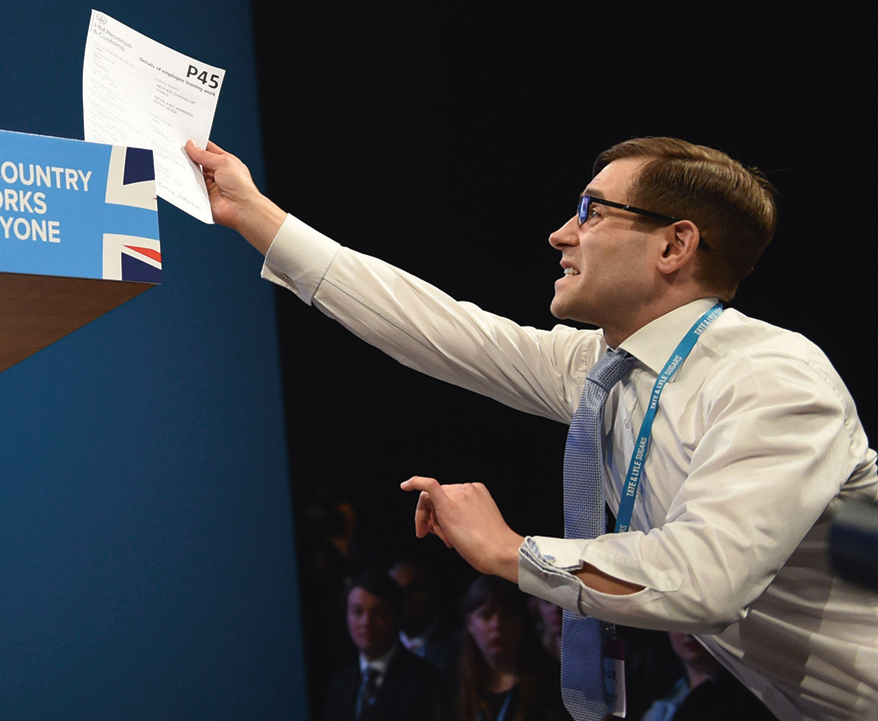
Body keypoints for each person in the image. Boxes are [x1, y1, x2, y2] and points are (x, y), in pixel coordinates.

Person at [183, 136, 878, 720]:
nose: (562, 233)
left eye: (592, 211)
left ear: (675, 246)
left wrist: (511, 552)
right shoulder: (607, 368)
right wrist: (255, 215)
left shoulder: (771, 377)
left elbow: (705, 580)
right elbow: (441, 329)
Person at [325, 571, 443, 721]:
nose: (366, 622)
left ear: (398, 619)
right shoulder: (340, 685)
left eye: (378, 613)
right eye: (357, 612)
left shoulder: (426, 680)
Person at [451, 577, 564, 721]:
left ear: (522, 622)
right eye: (486, 615)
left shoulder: (552, 684)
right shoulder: (455, 689)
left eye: (507, 614)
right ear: (469, 624)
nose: (496, 624)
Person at [641, 634, 776, 721]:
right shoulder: (655, 685)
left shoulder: (749, 697)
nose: (689, 633)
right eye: (681, 623)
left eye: (698, 624)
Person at [390, 558, 464, 672]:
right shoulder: (382, 644)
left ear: (432, 590)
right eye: (396, 592)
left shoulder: (460, 645)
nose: (404, 599)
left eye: (413, 589)